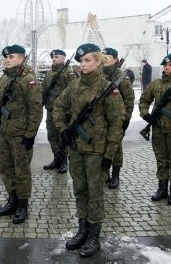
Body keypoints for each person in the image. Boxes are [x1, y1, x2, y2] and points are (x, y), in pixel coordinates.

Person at [53, 43, 124, 258]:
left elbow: (116, 124)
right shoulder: (74, 86)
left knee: (95, 194)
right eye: (81, 61)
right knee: (79, 190)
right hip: (76, 148)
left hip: (96, 151)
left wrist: (109, 155)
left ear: (98, 62)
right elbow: (58, 107)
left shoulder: (108, 89)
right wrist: (63, 129)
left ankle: (94, 234)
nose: (83, 65)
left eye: (88, 61)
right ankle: (82, 229)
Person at [0, 44, 42, 224]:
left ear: (22, 58)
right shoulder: (5, 79)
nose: (7, 59)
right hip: (5, 131)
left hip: (20, 134)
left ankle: (23, 205)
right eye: (6, 57)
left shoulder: (28, 80)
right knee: (6, 169)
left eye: (11, 57)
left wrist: (30, 134)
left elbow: (36, 110)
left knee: (21, 171)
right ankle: (12, 199)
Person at [139, 52, 171, 205]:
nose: (167, 67)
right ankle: (162, 189)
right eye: (165, 65)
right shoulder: (156, 84)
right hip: (158, 129)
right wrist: (146, 115)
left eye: (170, 65)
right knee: (161, 160)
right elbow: (144, 100)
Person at [102, 48, 135, 189]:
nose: (105, 59)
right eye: (103, 56)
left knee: (116, 148)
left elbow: (129, 99)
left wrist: (125, 119)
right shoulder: (98, 74)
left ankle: (115, 175)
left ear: (115, 59)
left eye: (108, 57)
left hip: (116, 119)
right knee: (101, 146)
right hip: (100, 119)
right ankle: (104, 174)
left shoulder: (121, 77)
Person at [42, 49, 75, 173]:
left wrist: (69, 112)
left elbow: (73, 93)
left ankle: (63, 161)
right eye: (53, 57)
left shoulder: (68, 72)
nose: (54, 59)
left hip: (62, 111)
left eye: (56, 56)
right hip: (50, 110)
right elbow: (43, 88)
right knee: (52, 136)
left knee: (62, 137)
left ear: (63, 58)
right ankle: (56, 159)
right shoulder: (50, 73)